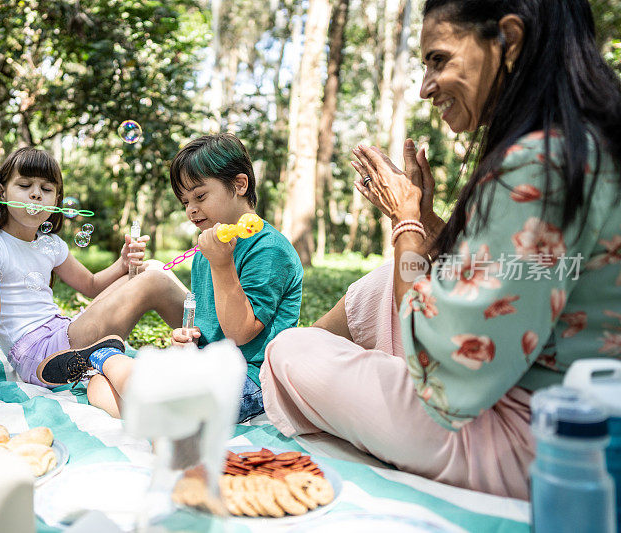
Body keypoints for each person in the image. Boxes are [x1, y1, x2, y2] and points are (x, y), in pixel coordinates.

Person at [260, 0, 621, 499]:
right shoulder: (579, 143)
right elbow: (509, 272)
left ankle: (269, 384)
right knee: (383, 283)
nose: (427, 86)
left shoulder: (540, 162)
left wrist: (406, 222)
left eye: (438, 60)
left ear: (509, 41)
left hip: (536, 441)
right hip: (535, 387)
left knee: (289, 349)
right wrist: (429, 224)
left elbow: (443, 375)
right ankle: (306, 385)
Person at [42, 134, 304, 422]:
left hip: (250, 377)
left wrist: (222, 264)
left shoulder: (266, 248)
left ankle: (103, 358)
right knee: (97, 389)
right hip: (206, 366)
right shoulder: (209, 248)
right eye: (185, 202)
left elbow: (240, 332)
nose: (191, 209)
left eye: (200, 196)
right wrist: (190, 339)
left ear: (240, 185)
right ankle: (113, 372)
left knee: (160, 401)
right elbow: (211, 325)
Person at [0, 147, 192, 414]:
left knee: (151, 269)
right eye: (25, 185)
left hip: (63, 333)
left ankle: (96, 360)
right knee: (154, 280)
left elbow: (91, 285)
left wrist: (123, 264)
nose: (35, 194)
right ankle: (215, 345)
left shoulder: (50, 243)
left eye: (46, 188)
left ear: (57, 199)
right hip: (37, 354)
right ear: (2, 192)